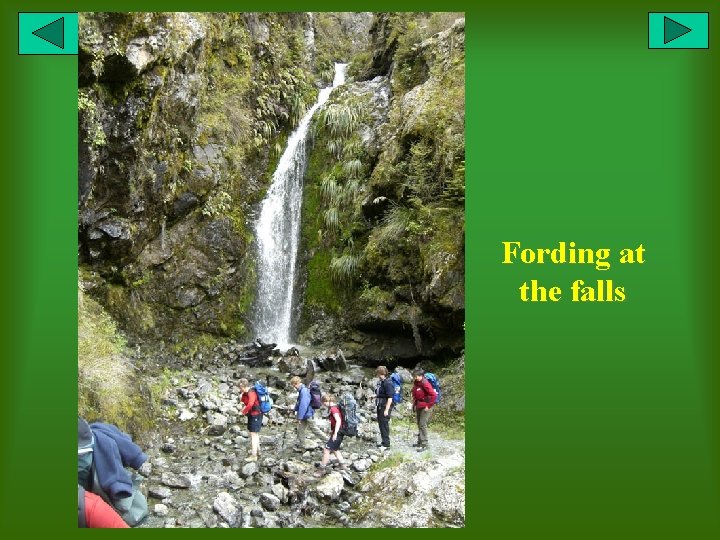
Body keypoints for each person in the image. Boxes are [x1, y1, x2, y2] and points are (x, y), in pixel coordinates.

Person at [315, 394, 347, 476]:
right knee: (335, 449)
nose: (323, 405)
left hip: (338, 432)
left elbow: (338, 421)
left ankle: (322, 469)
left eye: (324, 403)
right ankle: (343, 465)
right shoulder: (336, 406)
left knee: (326, 450)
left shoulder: (333, 409)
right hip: (340, 430)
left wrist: (335, 433)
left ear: (327, 401)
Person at [291, 375, 326, 450]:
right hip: (305, 414)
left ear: (296, 383)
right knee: (300, 429)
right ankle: (302, 444)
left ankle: (328, 441)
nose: (294, 387)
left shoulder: (304, 391)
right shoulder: (302, 390)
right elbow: (299, 403)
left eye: (294, 385)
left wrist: (299, 417)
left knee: (314, 429)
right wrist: (294, 410)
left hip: (308, 414)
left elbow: (303, 405)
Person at [411, 368, 437, 452]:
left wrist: (428, 406)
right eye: (415, 376)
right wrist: (414, 404)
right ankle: (420, 441)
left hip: (426, 406)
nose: (416, 377)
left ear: (421, 376)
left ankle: (425, 444)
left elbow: (433, 395)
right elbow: (415, 395)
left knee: (422, 424)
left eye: (417, 376)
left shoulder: (425, 383)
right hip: (419, 405)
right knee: (419, 423)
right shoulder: (416, 383)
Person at [238, 378, 262, 462]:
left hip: (256, 415)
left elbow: (251, 403)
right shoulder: (245, 393)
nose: (239, 389)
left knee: (253, 435)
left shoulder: (251, 392)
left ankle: (254, 455)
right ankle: (258, 451)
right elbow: (244, 402)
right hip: (252, 415)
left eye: (240, 387)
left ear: (243, 386)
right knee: (254, 433)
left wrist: (243, 412)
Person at [375, 366, 394, 449]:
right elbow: (382, 394)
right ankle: (383, 442)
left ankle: (386, 444)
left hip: (385, 406)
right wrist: (375, 396)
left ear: (382, 374)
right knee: (381, 424)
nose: (377, 376)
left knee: (384, 424)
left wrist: (386, 410)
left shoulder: (388, 383)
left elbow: (390, 398)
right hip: (380, 405)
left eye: (378, 374)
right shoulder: (382, 382)